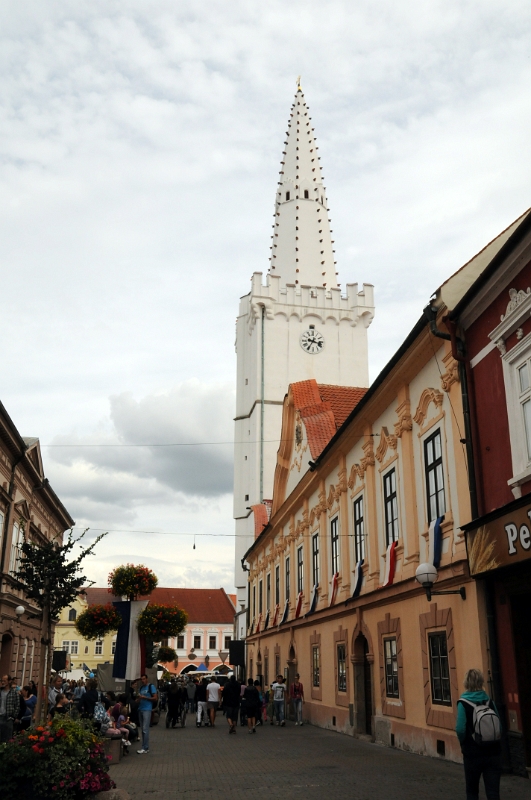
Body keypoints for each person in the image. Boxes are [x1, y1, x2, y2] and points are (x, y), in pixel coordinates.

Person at [456, 668, 502, 800]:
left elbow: (460, 729)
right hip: (493, 752)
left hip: (472, 754)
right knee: (493, 792)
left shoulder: (463, 703)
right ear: (481, 682)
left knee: (472, 791)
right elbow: (499, 726)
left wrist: (464, 742)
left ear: (466, 683)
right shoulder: (489, 701)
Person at [137, 673, 158, 754]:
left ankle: (145, 747)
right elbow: (140, 698)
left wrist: (145, 697)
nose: (143, 681)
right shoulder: (141, 688)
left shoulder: (151, 687)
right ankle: (144, 746)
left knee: (145, 729)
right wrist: (138, 699)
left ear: (147, 679)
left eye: (144, 679)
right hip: (141, 709)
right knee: (142, 729)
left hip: (147, 709)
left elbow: (155, 698)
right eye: (141, 679)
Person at [0, 675, 19, 742]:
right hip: (0, 716)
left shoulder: (14, 693)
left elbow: (17, 705)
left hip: (8, 718)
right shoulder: (0, 691)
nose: (2, 682)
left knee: (7, 739)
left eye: (4, 681)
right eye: (2, 681)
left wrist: (13, 716)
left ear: (9, 681)